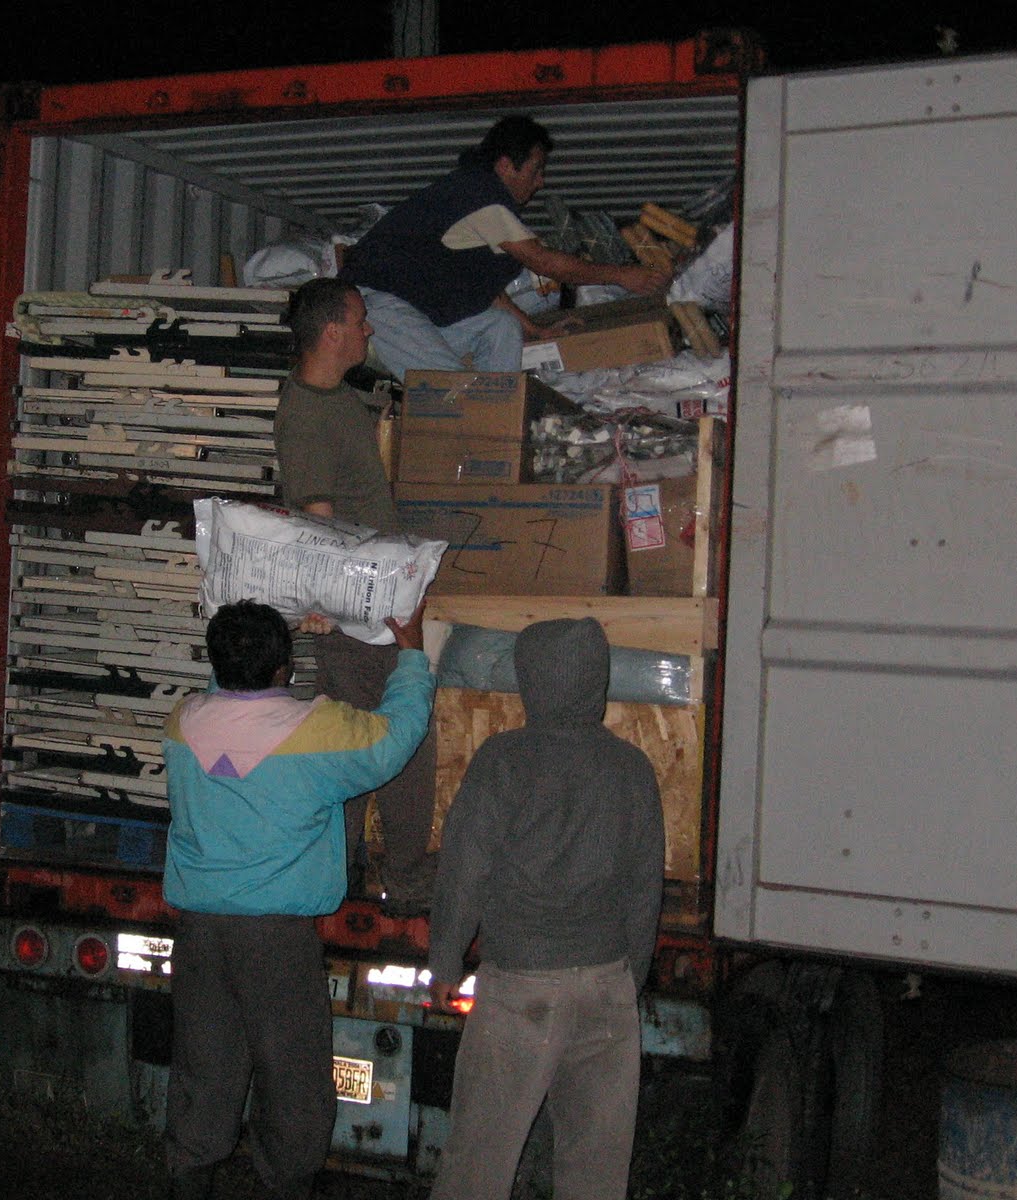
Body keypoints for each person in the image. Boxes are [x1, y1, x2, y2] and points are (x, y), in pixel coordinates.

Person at [162, 598, 434, 1200]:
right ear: (284, 668)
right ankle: (286, 1183)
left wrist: (262, 658)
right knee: (293, 1081)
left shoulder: (182, 723)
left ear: (217, 661)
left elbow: (232, 697)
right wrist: (412, 656)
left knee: (204, 1071)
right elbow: (395, 740)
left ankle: (189, 1174)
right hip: (276, 942)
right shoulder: (315, 731)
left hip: (200, 935)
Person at [426, 617, 665, 1200]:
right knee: (596, 1178)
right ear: (597, 679)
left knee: (476, 1171)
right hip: (608, 988)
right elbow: (644, 892)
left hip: (520, 993)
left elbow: (464, 872)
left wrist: (446, 963)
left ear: (532, 681)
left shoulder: (504, 760)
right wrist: (627, 980)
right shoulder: (633, 767)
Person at [272, 277, 439, 915]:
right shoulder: (308, 417)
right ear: (333, 332)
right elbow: (320, 528)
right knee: (402, 735)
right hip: (361, 614)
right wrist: (347, 609)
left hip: (375, 599)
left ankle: (342, 876)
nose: (370, 331)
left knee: (359, 739)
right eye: (362, 321)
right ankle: (403, 882)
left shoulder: (336, 398)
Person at [340, 114, 675, 378]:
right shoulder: (478, 196)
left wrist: (534, 329)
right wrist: (621, 276)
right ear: (504, 165)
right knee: (449, 385)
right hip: (377, 303)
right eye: (535, 170)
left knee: (503, 328)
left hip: (414, 307)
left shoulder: (479, 205)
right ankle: (479, 430)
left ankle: (497, 408)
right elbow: (544, 262)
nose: (540, 182)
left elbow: (487, 292)